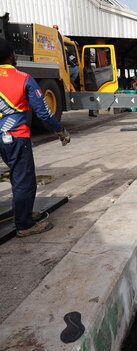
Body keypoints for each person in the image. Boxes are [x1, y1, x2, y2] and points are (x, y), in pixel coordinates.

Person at [0, 38, 70, 237]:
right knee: (24, 180)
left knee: (16, 176)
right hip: (15, 137)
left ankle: (24, 212)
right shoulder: (23, 78)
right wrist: (60, 131)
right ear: (11, 56)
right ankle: (24, 225)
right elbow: (44, 112)